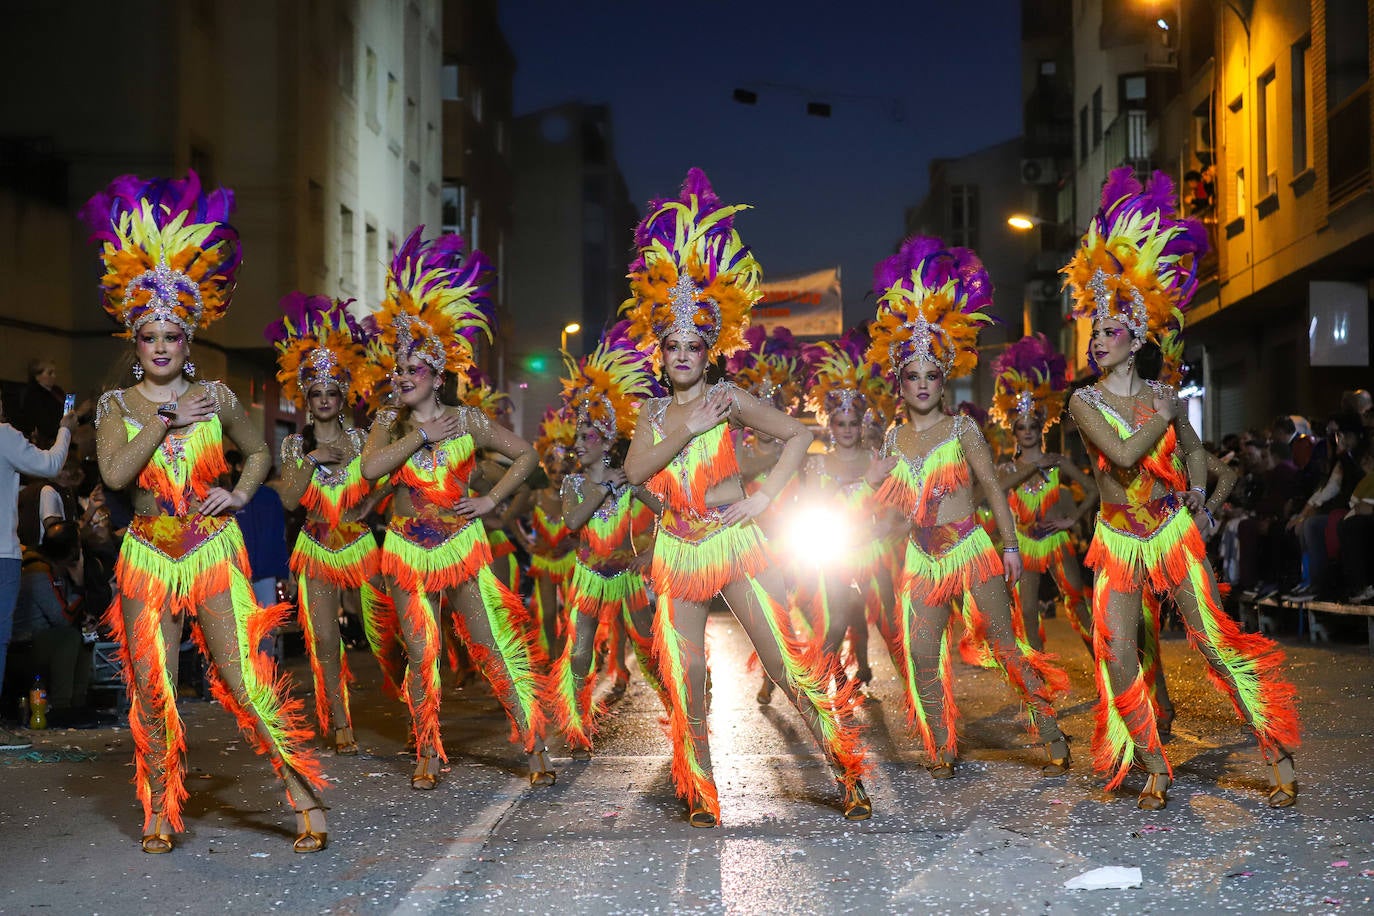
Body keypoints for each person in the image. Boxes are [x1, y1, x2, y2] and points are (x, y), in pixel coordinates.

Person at [83, 171, 328, 853]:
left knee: (242, 679)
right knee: (153, 688)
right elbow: (113, 474)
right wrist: (164, 420)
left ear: (189, 340)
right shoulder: (116, 408)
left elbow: (258, 455)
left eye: (173, 336)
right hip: (148, 555)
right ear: (134, 343)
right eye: (149, 336)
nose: (161, 346)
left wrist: (243, 493)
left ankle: (303, 792)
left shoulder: (218, 397)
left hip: (212, 547)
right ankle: (160, 805)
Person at [621, 168, 868, 826]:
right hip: (678, 551)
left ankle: (847, 771)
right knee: (687, 677)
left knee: (787, 662)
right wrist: (688, 432)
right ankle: (702, 792)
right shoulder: (650, 414)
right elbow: (635, 472)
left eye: (693, 344)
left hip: (734, 543)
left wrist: (761, 502)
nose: (681, 353)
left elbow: (798, 434)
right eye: (670, 343)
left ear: (711, 349)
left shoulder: (729, 400)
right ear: (659, 351)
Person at [1063, 167, 1299, 810]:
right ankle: (1154, 767)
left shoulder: (1166, 398)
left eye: (1109, 332)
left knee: (1215, 647)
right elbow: (1118, 454)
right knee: (1116, 657)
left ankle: (1276, 751)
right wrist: (1165, 419)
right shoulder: (1084, 404)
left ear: (1136, 338)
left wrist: (1200, 496)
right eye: (1093, 331)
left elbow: (1199, 459)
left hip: (1169, 532)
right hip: (1115, 540)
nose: (1096, 341)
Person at [864, 236, 1071, 781]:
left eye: (933, 375)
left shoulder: (962, 428)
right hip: (922, 556)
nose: (925, 384)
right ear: (900, 381)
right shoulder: (890, 440)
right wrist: (871, 489)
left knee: (1004, 644)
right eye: (914, 376)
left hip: (971, 547)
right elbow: (882, 513)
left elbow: (994, 489)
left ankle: (1048, 727)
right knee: (922, 653)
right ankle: (941, 743)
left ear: (945, 377)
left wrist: (1008, 545)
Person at [360, 226, 552, 791]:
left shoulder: (467, 421)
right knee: (421, 650)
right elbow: (369, 472)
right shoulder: (387, 424)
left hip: (462, 543)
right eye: (396, 371)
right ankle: (426, 748)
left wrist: (491, 498)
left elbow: (526, 454)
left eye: (412, 371)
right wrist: (418, 438)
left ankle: (533, 738)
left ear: (437, 377)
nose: (400, 379)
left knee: (488, 642)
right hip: (404, 549)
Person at [268, 292, 397, 754]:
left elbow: (394, 472)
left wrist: (375, 502)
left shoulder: (363, 439)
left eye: (332, 392)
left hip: (360, 546)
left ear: (343, 396)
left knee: (383, 632)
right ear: (307, 397)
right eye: (316, 392)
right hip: (315, 545)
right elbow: (287, 497)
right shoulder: (294, 446)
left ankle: (410, 700)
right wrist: (314, 457)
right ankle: (340, 723)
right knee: (323, 640)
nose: (324, 399)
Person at [552, 324, 665, 756]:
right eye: (577, 436)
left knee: (648, 648)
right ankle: (577, 723)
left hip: (628, 577)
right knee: (580, 652)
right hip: (587, 575)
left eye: (587, 437)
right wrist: (603, 488)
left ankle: (677, 711)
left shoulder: (632, 481)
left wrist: (651, 551)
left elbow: (666, 513)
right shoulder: (574, 484)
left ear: (607, 440)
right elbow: (572, 523)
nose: (578, 444)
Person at [792, 335, 893, 690]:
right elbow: (808, 507)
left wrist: (884, 529)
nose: (848, 430)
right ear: (829, 425)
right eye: (840, 423)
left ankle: (871, 669)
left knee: (880, 619)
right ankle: (825, 677)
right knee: (837, 620)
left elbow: (895, 501)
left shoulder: (875, 460)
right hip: (834, 552)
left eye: (853, 423)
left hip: (871, 550)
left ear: (861, 424)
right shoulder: (818, 464)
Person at [989, 334, 1097, 656]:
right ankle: (1038, 685)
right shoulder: (1006, 471)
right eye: (1021, 427)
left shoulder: (1057, 462)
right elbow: (993, 497)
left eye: (1032, 426)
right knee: (1027, 613)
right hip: (1023, 544)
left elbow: (1092, 490)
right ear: (1015, 432)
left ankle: (1106, 670)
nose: (1028, 432)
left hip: (1056, 541)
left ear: (1040, 428)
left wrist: (1072, 519)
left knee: (1077, 602)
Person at [13, 519, 93, 725]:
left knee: (86, 638)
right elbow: (62, 618)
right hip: (24, 645)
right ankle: (61, 707)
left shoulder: (53, 568)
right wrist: (80, 587)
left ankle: (78, 704)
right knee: (69, 637)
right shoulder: (38, 571)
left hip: (39, 640)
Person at [522, 406, 578, 662]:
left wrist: (573, 542)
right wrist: (526, 542)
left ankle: (569, 653)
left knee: (571, 612)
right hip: (544, 561)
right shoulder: (535, 496)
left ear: (570, 472)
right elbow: (509, 518)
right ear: (546, 470)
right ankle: (553, 654)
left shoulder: (576, 498)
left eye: (563, 472)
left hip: (569, 561)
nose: (557, 476)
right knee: (546, 614)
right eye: (553, 471)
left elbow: (586, 526)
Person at [12, 358, 67, 446]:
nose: (54, 376)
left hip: (61, 432)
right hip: (45, 441)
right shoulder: (33, 395)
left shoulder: (57, 391)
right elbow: (44, 424)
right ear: (37, 376)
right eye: (50, 373)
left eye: (54, 372)